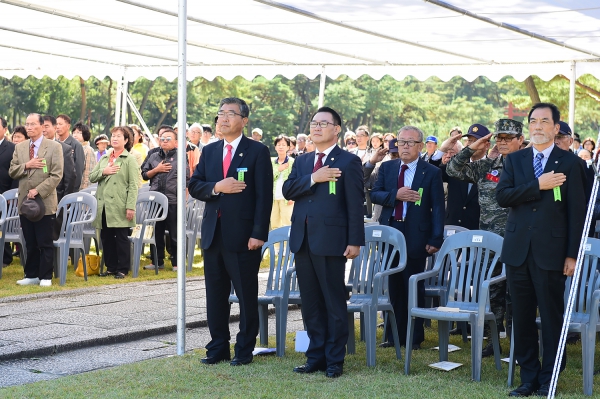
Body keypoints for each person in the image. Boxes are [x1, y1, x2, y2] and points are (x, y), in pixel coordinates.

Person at [496, 103, 586, 397]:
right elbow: (503, 197)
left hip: (552, 252)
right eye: (533, 121)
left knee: (551, 318)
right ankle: (529, 377)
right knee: (520, 318)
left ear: (556, 127)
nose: (537, 126)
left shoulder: (571, 163)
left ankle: (550, 378)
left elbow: (577, 214)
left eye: (544, 122)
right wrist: (539, 184)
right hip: (518, 250)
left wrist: (572, 255)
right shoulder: (515, 159)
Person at [188, 97, 273, 367]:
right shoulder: (211, 151)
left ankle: (244, 348)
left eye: (231, 114)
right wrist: (217, 187)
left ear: (244, 120)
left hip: (245, 236)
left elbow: (264, 197)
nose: (223, 119)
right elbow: (195, 185)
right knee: (215, 295)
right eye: (220, 114)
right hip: (214, 234)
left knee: (246, 295)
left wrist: (259, 233)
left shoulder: (257, 151)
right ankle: (217, 348)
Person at [283, 106, 364, 378]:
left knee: (333, 301)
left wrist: (355, 240)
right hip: (303, 240)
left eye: (323, 123)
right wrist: (313, 178)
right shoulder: (303, 161)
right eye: (314, 123)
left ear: (336, 129)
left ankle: (334, 359)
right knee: (310, 302)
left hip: (332, 240)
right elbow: (287, 190)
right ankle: (314, 356)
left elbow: (355, 204)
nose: (316, 127)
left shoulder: (348, 161)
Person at [445, 120, 525, 357]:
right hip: (490, 245)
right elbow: (452, 169)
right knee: (492, 295)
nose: (502, 142)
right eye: (499, 138)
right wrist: (472, 147)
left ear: (520, 140)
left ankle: (518, 345)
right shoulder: (486, 167)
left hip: (518, 242)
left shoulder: (531, 168)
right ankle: (493, 342)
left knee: (517, 297)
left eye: (507, 138)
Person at [370, 126, 444, 350]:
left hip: (416, 235)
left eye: (410, 142)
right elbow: (374, 193)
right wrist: (395, 196)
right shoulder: (388, 167)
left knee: (413, 285)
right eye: (401, 142)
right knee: (394, 286)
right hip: (391, 232)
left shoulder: (430, 172)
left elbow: (438, 208)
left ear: (420, 146)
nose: (405, 146)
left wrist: (435, 238)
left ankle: (414, 337)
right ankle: (393, 336)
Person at [9, 113, 64, 287]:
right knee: (30, 241)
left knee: (44, 241)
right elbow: (12, 171)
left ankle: (46, 275)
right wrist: (27, 165)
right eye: (27, 124)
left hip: (44, 201)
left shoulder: (54, 147)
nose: (29, 127)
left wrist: (38, 190)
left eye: (33, 124)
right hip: (25, 203)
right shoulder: (20, 147)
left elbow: (56, 175)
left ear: (42, 126)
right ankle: (31, 274)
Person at [89, 126, 139, 279]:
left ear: (126, 140)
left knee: (121, 238)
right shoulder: (105, 157)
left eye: (119, 136)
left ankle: (123, 268)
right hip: (104, 205)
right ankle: (110, 267)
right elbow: (92, 177)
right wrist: (104, 172)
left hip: (120, 204)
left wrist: (130, 206)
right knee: (106, 237)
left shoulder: (129, 159)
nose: (115, 138)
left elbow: (133, 185)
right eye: (113, 136)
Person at [141, 129, 190, 272]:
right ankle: (157, 261)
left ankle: (177, 263)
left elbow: (186, 179)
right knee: (156, 232)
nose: (164, 141)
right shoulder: (153, 155)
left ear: (176, 142)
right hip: (155, 201)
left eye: (168, 139)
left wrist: (184, 199)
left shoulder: (181, 157)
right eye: (162, 139)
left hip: (173, 200)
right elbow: (144, 175)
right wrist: (157, 169)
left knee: (175, 233)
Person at [0, 117, 16, 267]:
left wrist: (12, 194)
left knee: (2, 226)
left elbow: (16, 173)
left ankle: (5, 257)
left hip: (6, 195)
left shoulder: (12, 148)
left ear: (5, 129)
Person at [271, 135, 294, 230]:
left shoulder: (292, 162)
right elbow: (267, 179)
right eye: (278, 144)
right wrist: (278, 170)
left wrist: (293, 196)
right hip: (273, 198)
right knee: (274, 223)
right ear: (275, 147)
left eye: (283, 145)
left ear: (288, 147)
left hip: (287, 198)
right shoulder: (271, 161)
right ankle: (275, 245)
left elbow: (295, 180)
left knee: (287, 223)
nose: (281, 147)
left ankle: (286, 245)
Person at [56, 114, 85, 190]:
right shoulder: (54, 144)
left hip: (68, 189)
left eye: (60, 124)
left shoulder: (76, 145)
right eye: (56, 124)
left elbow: (78, 172)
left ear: (68, 126)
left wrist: (72, 193)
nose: (57, 127)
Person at [72, 122, 97, 190]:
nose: (75, 135)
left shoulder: (88, 150)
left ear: (85, 135)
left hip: (81, 188)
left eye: (79, 132)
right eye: (74, 132)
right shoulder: (71, 148)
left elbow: (88, 173)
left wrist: (84, 190)